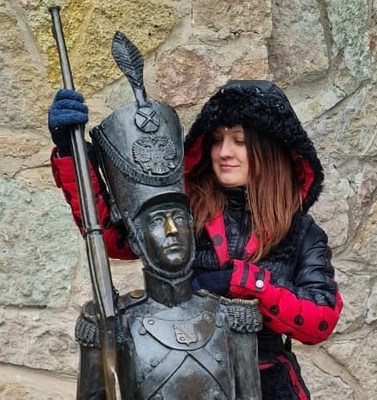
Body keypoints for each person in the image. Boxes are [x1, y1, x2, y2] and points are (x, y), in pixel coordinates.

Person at [49, 39, 343, 398]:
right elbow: (112, 235)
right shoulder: (188, 210)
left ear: (269, 149)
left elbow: (320, 320)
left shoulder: (302, 232)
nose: (223, 152)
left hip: (272, 386)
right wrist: (70, 151)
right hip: (191, 382)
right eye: (217, 139)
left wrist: (243, 283)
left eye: (239, 141)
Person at [72, 32, 262, 400]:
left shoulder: (230, 318)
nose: (173, 229)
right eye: (157, 221)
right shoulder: (114, 324)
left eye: (179, 216)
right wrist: (68, 149)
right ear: (137, 235)